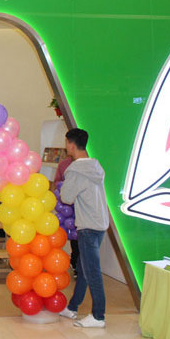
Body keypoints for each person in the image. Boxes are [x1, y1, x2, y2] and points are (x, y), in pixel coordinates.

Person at [58, 128, 110, 328]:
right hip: (99, 223)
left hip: (88, 225)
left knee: (92, 271)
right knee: (83, 268)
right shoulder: (95, 166)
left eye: (66, 143)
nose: (66, 147)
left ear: (71, 145)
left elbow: (66, 197)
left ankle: (98, 316)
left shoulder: (76, 170)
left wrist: (64, 185)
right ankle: (72, 307)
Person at [52, 155, 79, 277]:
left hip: (82, 205)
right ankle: (74, 264)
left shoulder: (89, 163)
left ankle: (78, 264)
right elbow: (56, 182)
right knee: (73, 235)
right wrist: (64, 185)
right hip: (66, 206)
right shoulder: (63, 164)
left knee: (80, 236)